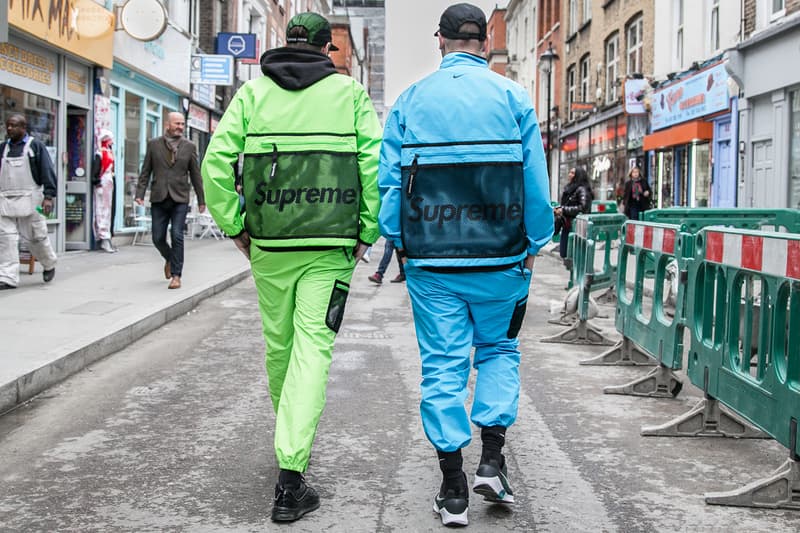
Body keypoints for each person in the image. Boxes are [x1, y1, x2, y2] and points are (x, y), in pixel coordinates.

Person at [200, 12, 381, 523]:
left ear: (286, 42)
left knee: (280, 348)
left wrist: (237, 226)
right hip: (329, 246)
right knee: (313, 349)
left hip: (271, 245)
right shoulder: (349, 95)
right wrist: (366, 232)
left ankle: (291, 447)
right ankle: (290, 475)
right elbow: (373, 164)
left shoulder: (253, 94)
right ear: (329, 49)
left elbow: (215, 164)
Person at [377, 3, 553, 526]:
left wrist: (399, 239)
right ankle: (493, 462)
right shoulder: (512, 96)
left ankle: (453, 489)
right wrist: (536, 241)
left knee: (443, 365)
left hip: (433, 261)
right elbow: (534, 183)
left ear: (441, 41)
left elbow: (390, 187)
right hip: (501, 257)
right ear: (484, 43)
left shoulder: (410, 101)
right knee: (499, 349)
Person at [135, 112, 205, 290]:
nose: (180, 127)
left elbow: (196, 175)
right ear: (168, 124)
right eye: (177, 124)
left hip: (180, 198)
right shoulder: (154, 145)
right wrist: (140, 194)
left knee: (177, 235)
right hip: (159, 197)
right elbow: (146, 171)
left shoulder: (189, 147)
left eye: (182, 124)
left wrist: (202, 199)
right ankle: (169, 258)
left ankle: (176, 275)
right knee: (157, 237)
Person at [0, 113, 57, 289]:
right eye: (8, 125)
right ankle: (8, 277)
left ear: (23, 128)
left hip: (33, 200)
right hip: (5, 199)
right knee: (6, 239)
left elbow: (47, 171)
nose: (10, 128)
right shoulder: (2, 149)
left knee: (37, 236)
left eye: (14, 125)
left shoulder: (36, 147)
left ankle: (49, 263)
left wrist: (49, 196)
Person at [554, 166, 593, 266]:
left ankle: (574, 278)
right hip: (566, 224)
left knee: (573, 256)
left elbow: (583, 207)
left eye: (572, 173)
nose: (569, 175)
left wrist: (563, 209)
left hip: (576, 227)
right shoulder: (570, 188)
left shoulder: (582, 189)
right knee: (565, 254)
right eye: (570, 172)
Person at [92, 129, 116, 253]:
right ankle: (102, 236)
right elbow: (96, 170)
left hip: (108, 182)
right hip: (102, 183)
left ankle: (106, 236)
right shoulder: (100, 153)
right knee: (101, 209)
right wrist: (97, 181)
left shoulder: (108, 152)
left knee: (107, 209)